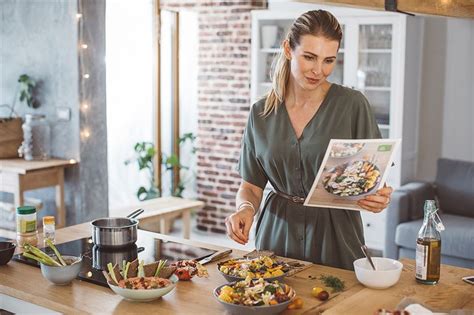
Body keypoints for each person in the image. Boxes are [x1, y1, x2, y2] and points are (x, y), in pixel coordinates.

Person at [225, 10, 393, 270]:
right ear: (288, 49)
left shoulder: (352, 105)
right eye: (310, 57)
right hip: (276, 235)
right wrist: (246, 208)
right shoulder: (260, 113)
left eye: (329, 60)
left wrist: (378, 196)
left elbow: (371, 177)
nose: (319, 70)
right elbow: (251, 185)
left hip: (337, 237)